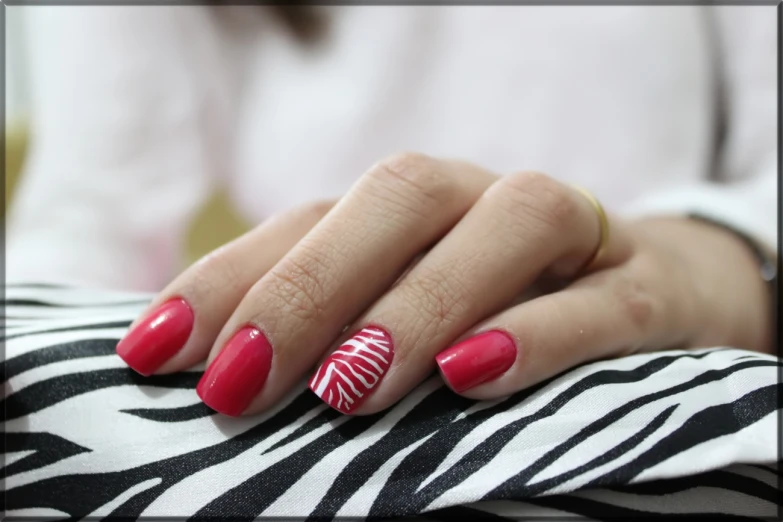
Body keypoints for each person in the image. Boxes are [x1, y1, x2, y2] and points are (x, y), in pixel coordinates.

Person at [8, 6, 777, 417]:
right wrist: (28, 351)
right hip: (319, 428)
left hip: (658, 378)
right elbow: (91, 216)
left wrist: (719, 261)